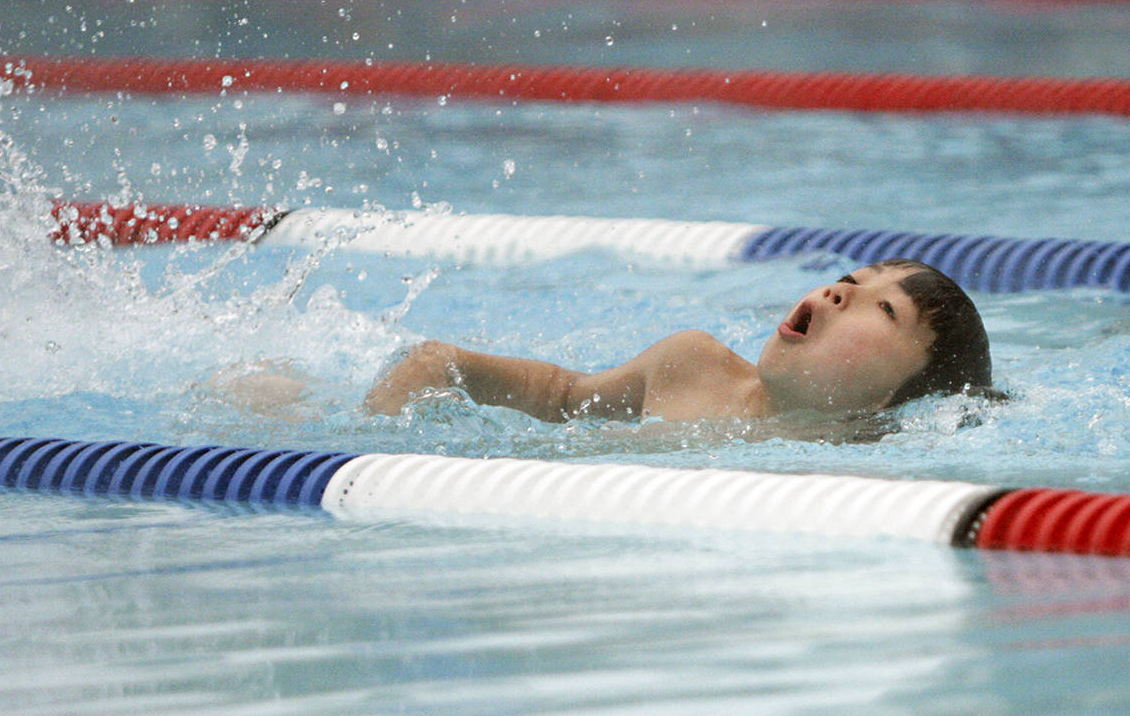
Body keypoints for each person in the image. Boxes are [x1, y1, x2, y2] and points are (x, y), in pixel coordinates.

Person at [364, 258, 995, 424]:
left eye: (884, 309)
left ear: (893, 398)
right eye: (850, 280)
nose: (839, 291)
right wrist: (447, 366)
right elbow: (561, 400)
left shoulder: (867, 464)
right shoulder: (689, 366)